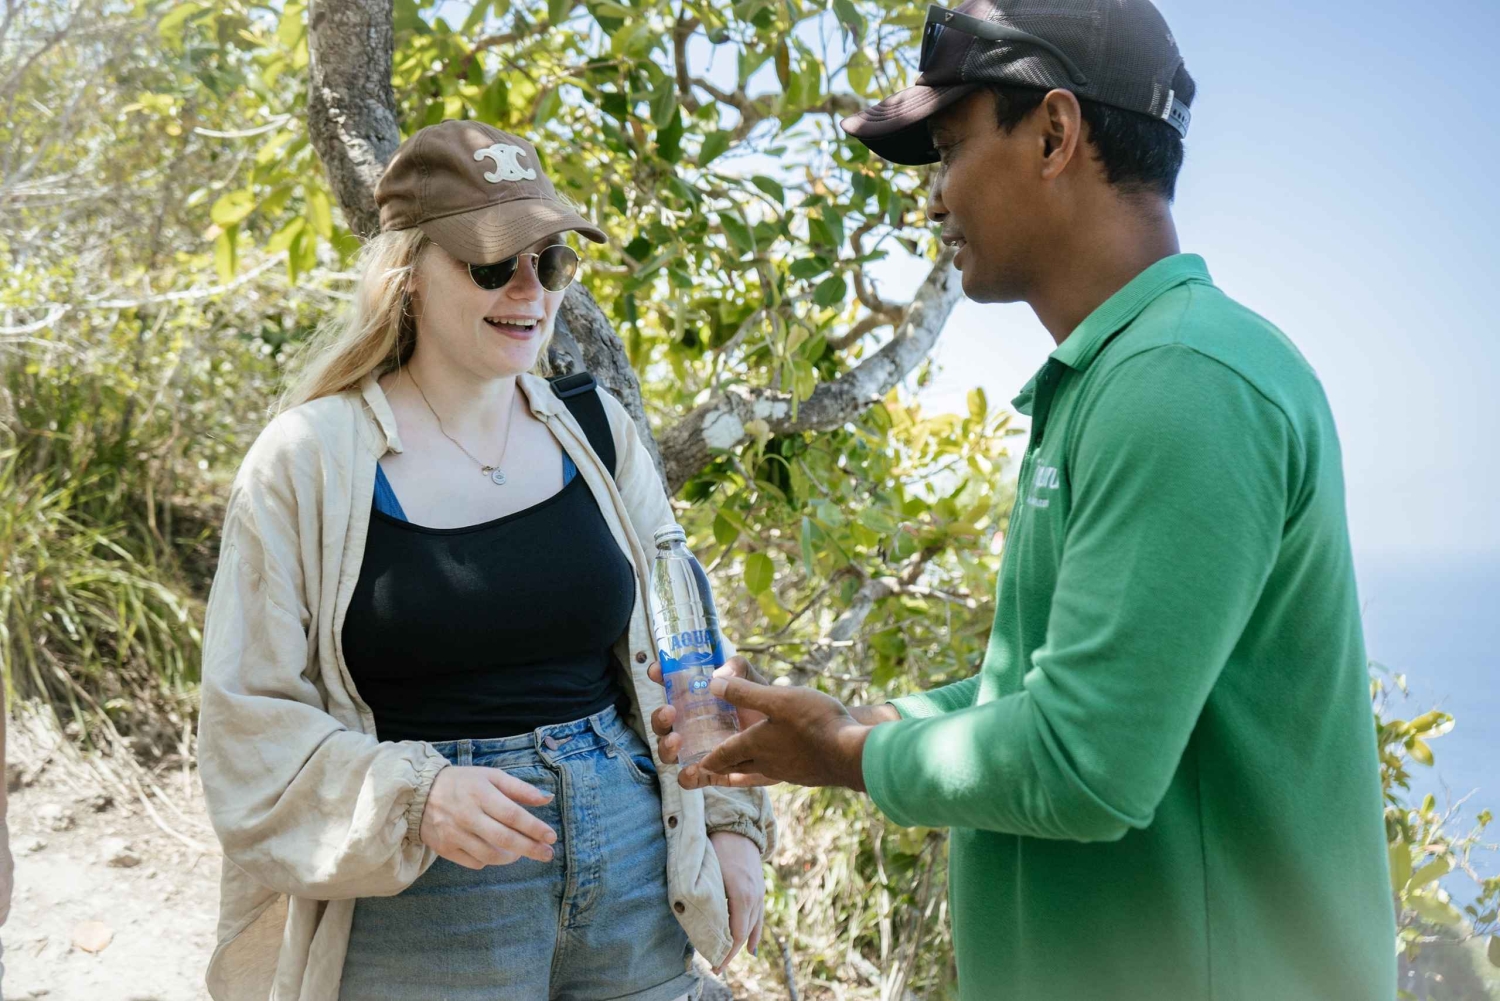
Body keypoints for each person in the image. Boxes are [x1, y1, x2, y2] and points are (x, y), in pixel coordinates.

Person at [649, 2, 1396, 999]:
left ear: (1053, 133)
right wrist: (850, 721)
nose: (932, 200)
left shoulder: (1185, 382)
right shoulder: (1118, 375)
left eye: (950, 149)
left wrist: (847, 754)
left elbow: (1086, 761)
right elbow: (1044, 691)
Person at [197, 121, 773, 1001]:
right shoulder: (308, 459)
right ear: (407, 273)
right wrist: (418, 796)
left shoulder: (598, 431)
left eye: (551, 261)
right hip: (426, 900)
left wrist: (730, 823)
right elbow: (247, 719)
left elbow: (686, 642)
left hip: (632, 871)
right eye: (493, 263)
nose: (530, 290)